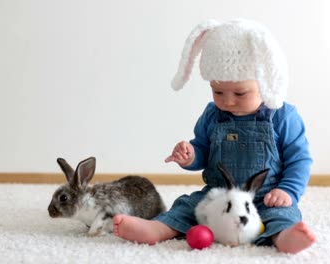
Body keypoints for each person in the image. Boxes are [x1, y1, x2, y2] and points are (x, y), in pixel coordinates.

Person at [113, 18, 316, 254]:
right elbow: (203, 150)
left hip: (264, 198)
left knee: (282, 215)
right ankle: (158, 229)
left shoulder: (283, 117)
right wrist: (191, 156)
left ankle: (286, 237)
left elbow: (299, 160)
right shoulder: (213, 115)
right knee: (188, 206)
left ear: (267, 83)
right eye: (218, 91)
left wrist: (287, 191)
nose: (227, 101)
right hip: (218, 196)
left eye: (240, 93)